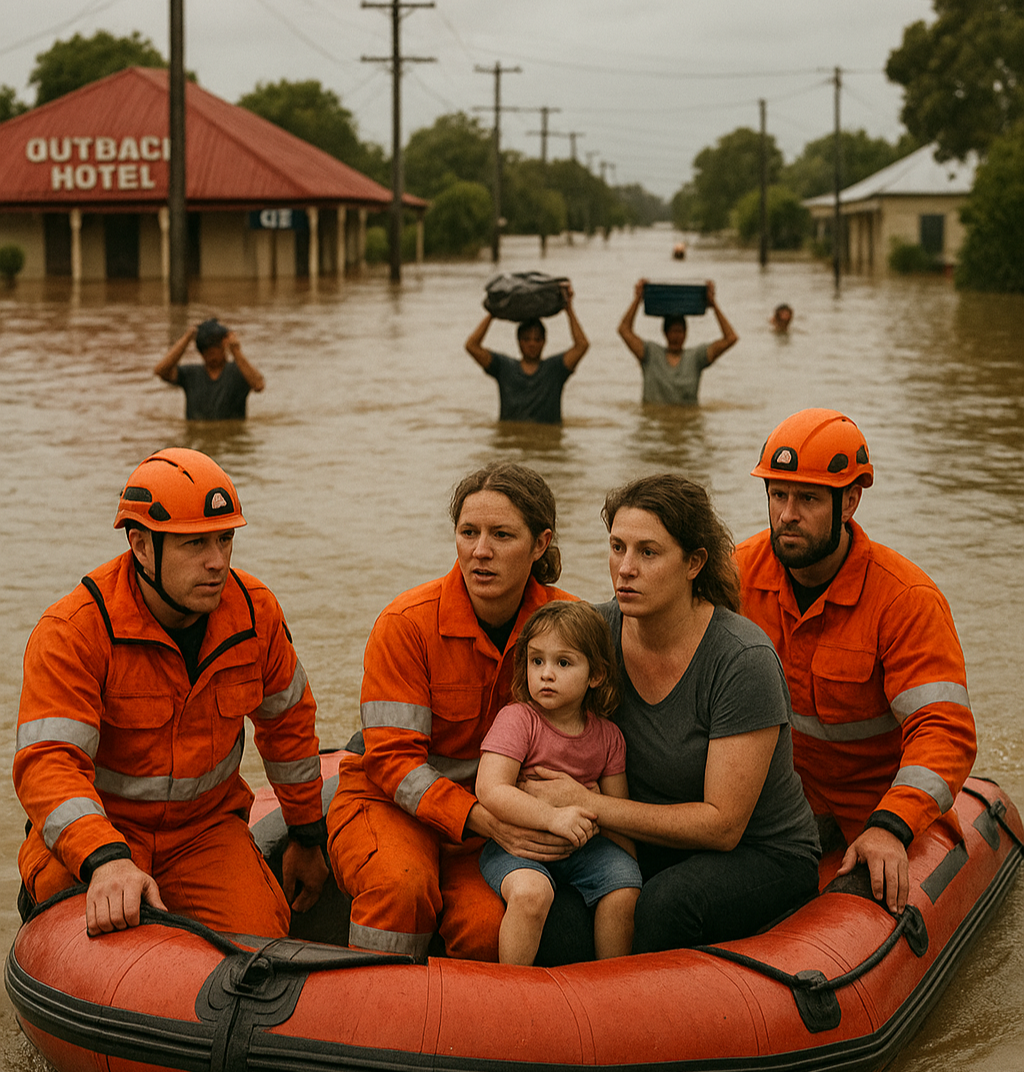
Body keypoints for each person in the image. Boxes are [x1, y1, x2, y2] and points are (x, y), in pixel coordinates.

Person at [13, 448, 329, 938]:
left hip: (204, 834)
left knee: (261, 940)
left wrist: (307, 835)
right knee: (90, 942)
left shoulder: (254, 615)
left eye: (225, 540)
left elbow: (288, 725)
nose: (217, 563)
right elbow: (48, 763)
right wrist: (105, 857)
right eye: (194, 544)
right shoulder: (75, 631)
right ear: (140, 546)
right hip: (105, 829)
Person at [524, 475, 820, 952]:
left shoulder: (741, 659)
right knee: (559, 916)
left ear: (694, 563)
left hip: (759, 854)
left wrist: (587, 803)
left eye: (648, 552)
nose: (625, 568)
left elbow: (722, 826)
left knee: (665, 905)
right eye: (617, 547)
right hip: (643, 843)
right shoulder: (593, 635)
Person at [326, 461, 578, 961]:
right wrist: (484, 817)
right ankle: (374, 1021)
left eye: (501, 535)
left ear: (540, 544)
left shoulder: (569, 628)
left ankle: (468, 1034)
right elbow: (393, 763)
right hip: (388, 803)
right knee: (400, 887)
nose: (480, 551)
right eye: (469, 532)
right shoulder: (406, 626)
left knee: (488, 931)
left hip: (490, 820)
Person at [735, 408, 977, 915]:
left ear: (851, 501)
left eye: (807, 498)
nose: (786, 514)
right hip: (775, 805)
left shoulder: (904, 599)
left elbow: (943, 730)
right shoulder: (735, 574)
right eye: (778, 495)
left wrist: (892, 826)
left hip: (872, 811)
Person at [476, 601, 642, 965]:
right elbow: (490, 789)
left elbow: (617, 814)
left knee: (624, 884)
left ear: (595, 675)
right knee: (532, 893)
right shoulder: (518, 719)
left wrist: (626, 864)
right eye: (537, 661)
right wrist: (552, 818)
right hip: (516, 846)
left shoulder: (609, 736)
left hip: (585, 849)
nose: (546, 674)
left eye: (562, 663)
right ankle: (513, 989)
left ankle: (613, 982)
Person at [464, 282, 589, 423]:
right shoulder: (504, 367)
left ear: (544, 342)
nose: (532, 344)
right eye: (526, 339)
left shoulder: (555, 369)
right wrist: (493, 313)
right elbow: (471, 346)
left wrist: (569, 309)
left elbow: (582, 345)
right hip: (511, 441)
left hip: (546, 441)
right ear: (518, 341)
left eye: (537, 339)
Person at [618, 278, 738, 405]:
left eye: (680, 332)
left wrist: (714, 305)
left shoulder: (696, 357)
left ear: (686, 333)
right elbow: (624, 330)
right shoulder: (650, 354)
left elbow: (730, 338)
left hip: (687, 421)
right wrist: (637, 299)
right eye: (673, 331)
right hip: (656, 422)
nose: (677, 336)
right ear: (665, 333)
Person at [154, 318, 265, 420]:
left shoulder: (239, 372)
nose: (211, 357)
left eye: (214, 351)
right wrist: (186, 339)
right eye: (206, 353)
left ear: (223, 346)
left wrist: (236, 351)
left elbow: (259, 385)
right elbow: (160, 371)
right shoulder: (191, 374)